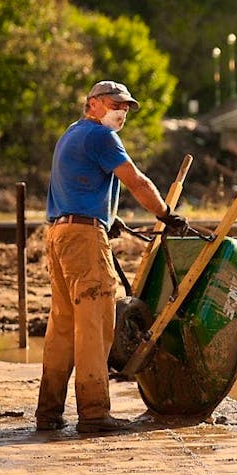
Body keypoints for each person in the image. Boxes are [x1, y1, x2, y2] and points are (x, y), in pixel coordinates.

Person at [37, 80, 187, 433]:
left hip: (60, 234)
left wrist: (106, 219)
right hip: (83, 240)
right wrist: (166, 214)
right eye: (115, 104)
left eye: (125, 107)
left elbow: (78, 185)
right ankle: (93, 414)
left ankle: (48, 412)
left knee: (63, 327)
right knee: (95, 324)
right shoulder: (102, 137)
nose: (121, 112)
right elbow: (135, 181)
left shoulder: (72, 134)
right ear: (93, 103)